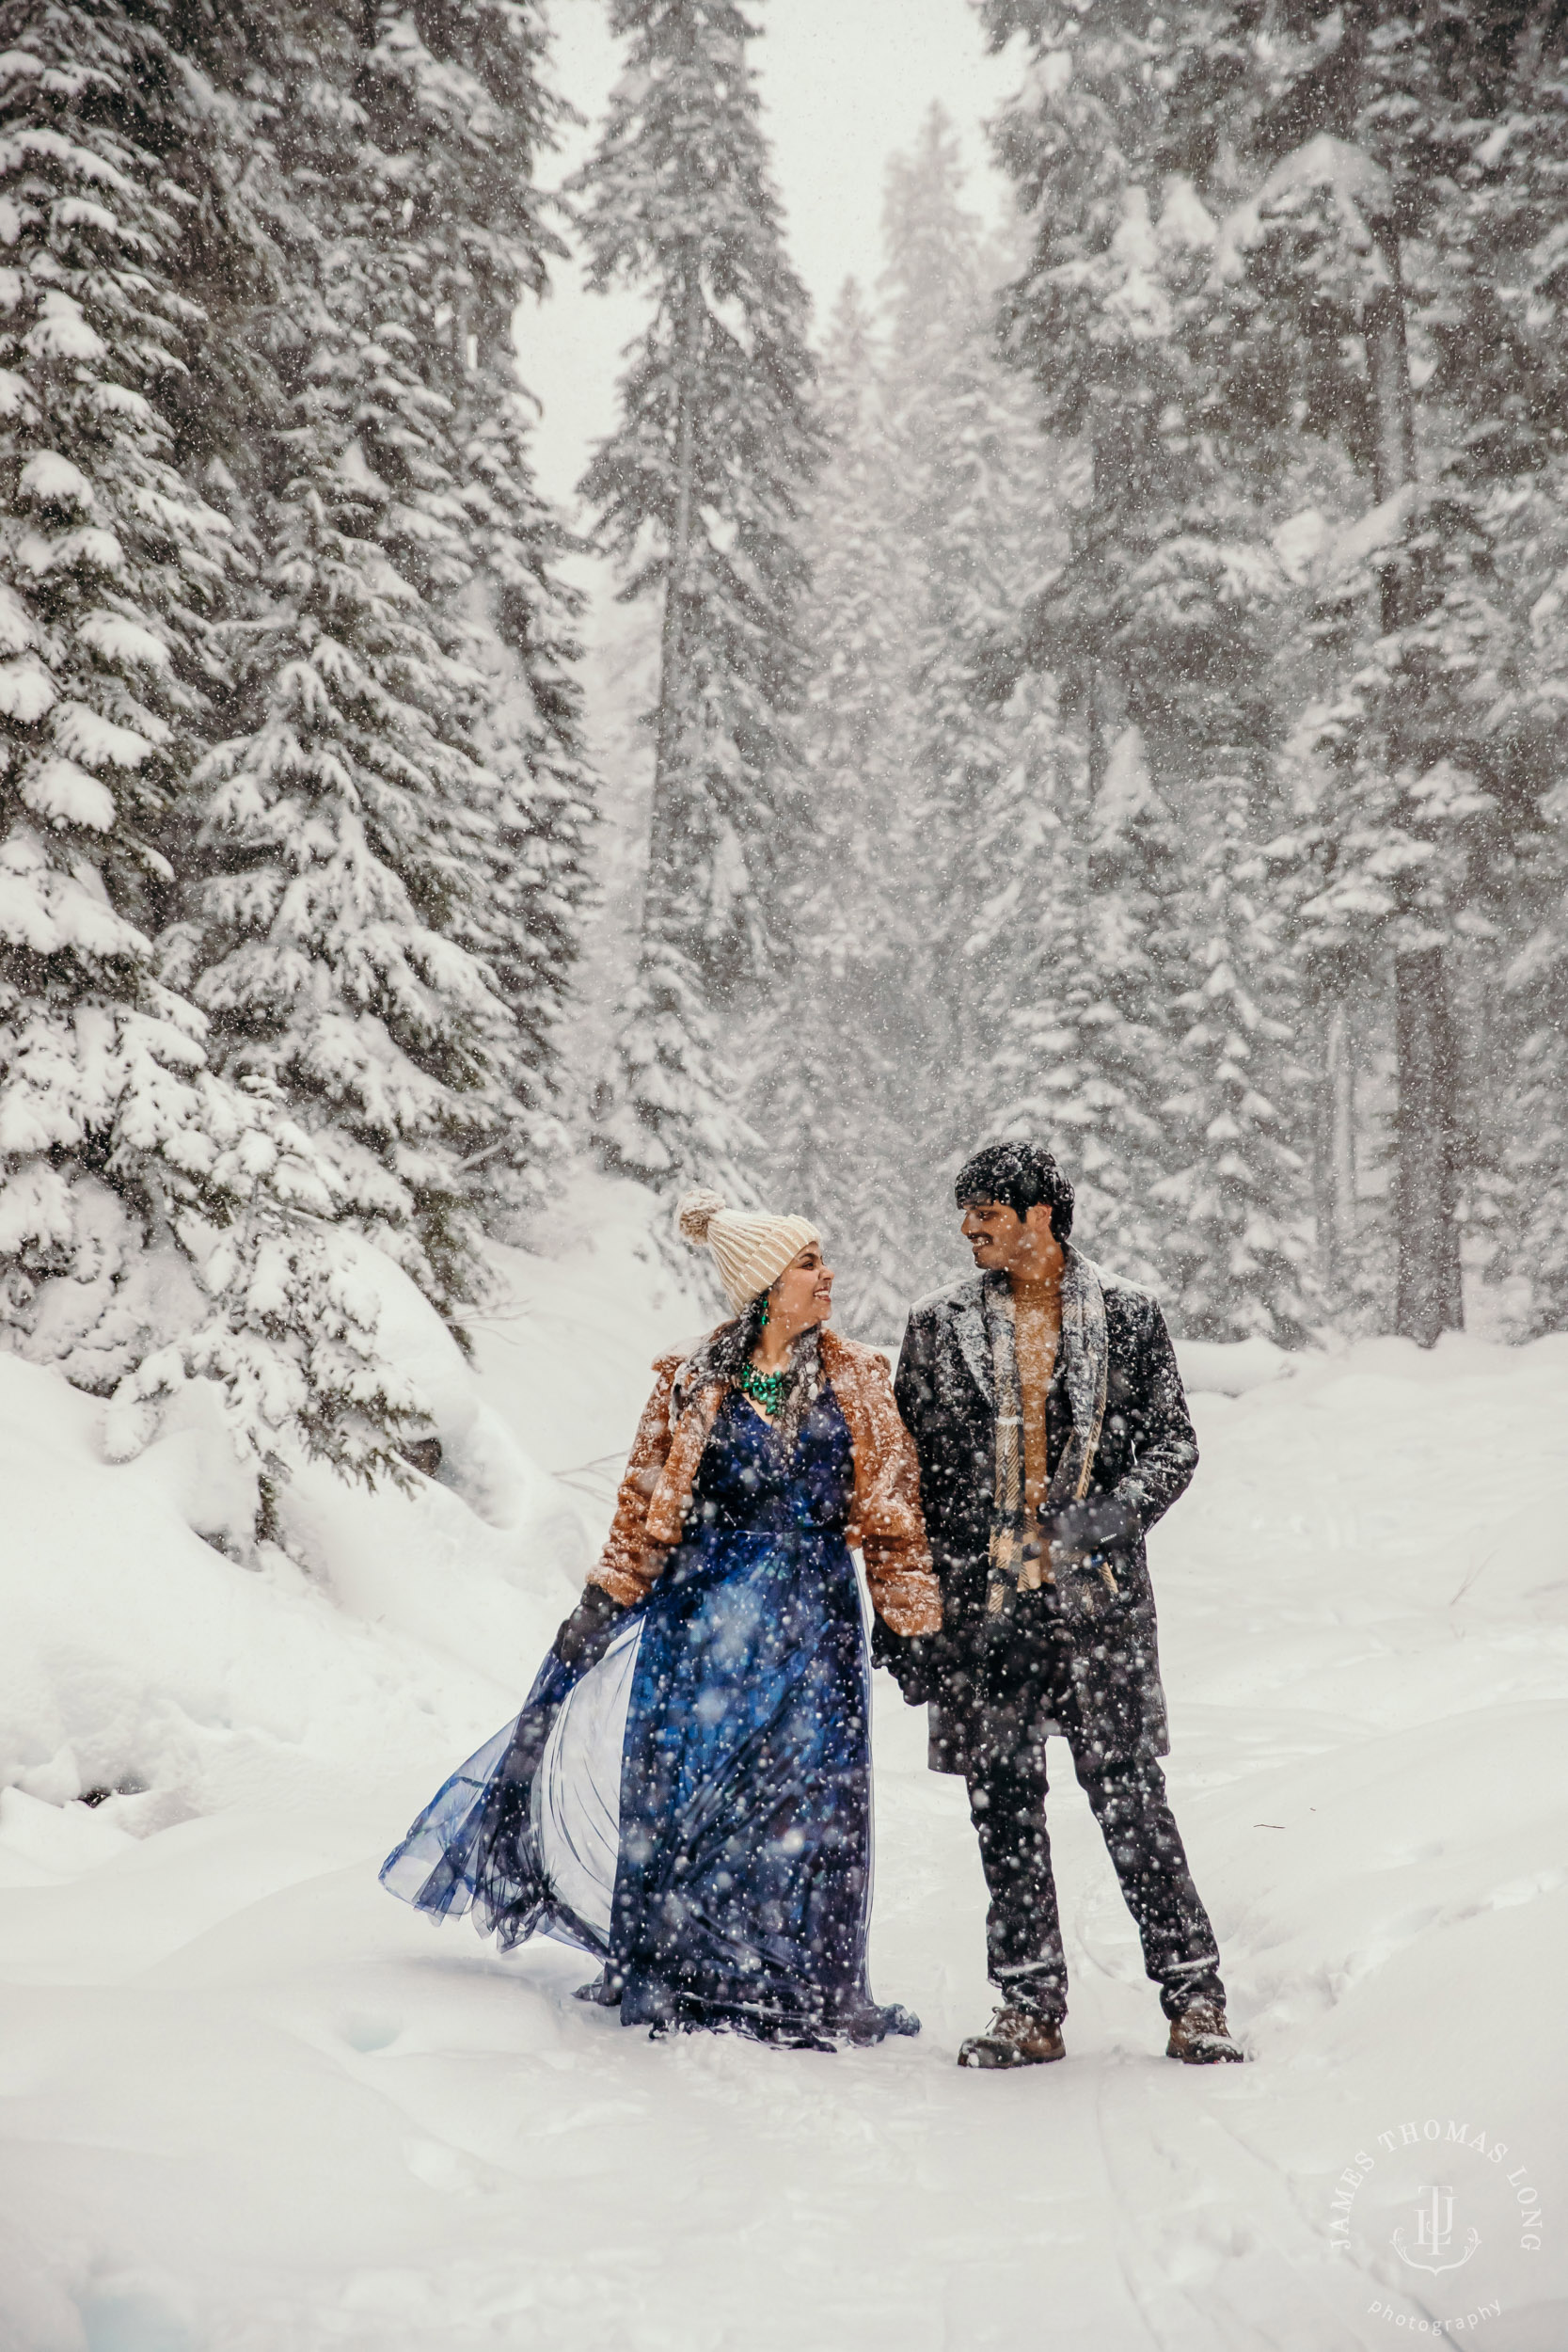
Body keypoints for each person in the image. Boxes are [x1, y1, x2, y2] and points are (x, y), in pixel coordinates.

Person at [382, 1187, 942, 2049]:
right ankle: (683, 1972)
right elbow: (646, 1505)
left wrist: (908, 1618)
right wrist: (604, 1600)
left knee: (809, 1803)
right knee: (690, 1800)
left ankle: (808, 1984)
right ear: (762, 1287)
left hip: (812, 1618)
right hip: (701, 1618)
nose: (826, 1276)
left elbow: (894, 1511)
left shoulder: (858, 1377)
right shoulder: (691, 1383)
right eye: (807, 1264)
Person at [884, 1139, 1240, 2069]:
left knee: (1131, 1803)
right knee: (999, 1810)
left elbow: (1173, 1445)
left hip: (1098, 1606)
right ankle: (1027, 2008)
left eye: (985, 1215)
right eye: (964, 1215)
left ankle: (1195, 1996)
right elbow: (903, 1482)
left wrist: (1095, 1523)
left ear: (1037, 1214)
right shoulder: (931, 1326)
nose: (967, 1230)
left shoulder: (1128, 1315)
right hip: (978, 1609)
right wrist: (908, 1613)